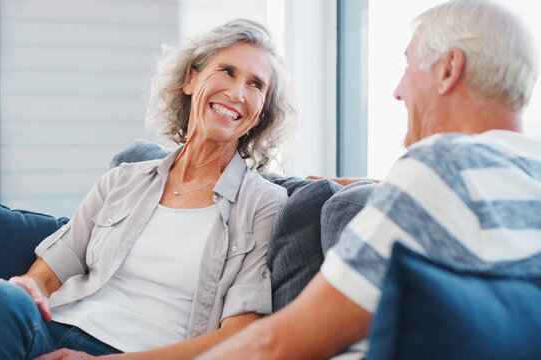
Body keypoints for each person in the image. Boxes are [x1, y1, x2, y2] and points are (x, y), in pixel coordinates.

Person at [197, 0, 540, 359]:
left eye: (408, 65)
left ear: (449, 69)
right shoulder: (519, 177)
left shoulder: (441, 168)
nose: (398, 89)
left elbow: (275, 345)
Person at [0, 19, 297, 360]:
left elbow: (239, 337)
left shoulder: (263, 203)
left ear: (261, 114)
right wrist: (28, 288)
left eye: (256, 85)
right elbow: (47, 272)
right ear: (191, 79)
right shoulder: (124, 179)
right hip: (53, 329)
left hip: (136, 353)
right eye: (227, 71)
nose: (237, 93)